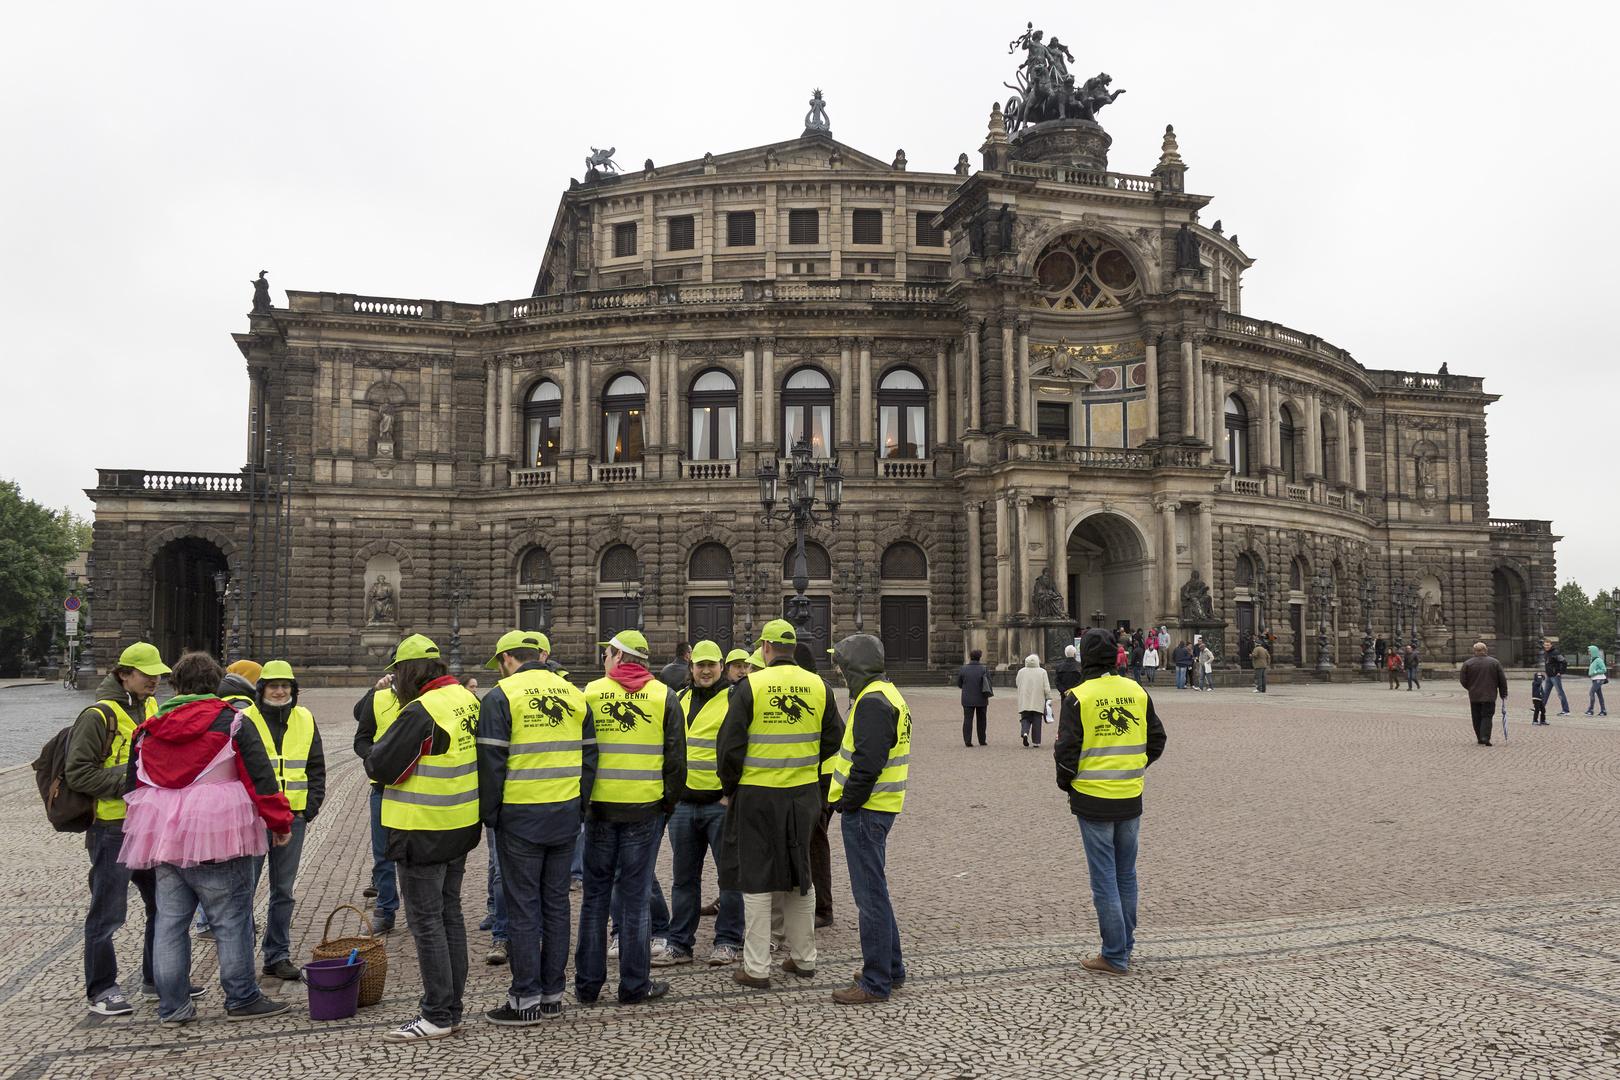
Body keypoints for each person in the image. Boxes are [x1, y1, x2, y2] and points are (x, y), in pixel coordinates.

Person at [119, 651, 293, 1023]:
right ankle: (241, 997)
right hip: (217, 832)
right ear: (215, 685)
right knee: (231, 919)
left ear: (176, 686)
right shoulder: (233, 722)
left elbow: (132, 784)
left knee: (169, 923)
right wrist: (279, 822)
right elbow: (260, 777)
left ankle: (173, 1005)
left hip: (165, 835)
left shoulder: (149, 727)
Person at [365, 635, 483, 1042]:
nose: (394, 681)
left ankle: (435, 1013)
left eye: (397, 673)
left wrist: (376, 748)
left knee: (426, 923)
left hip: (422, 830)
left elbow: (380, 766)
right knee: (450, 916)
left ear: (409, 671)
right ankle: (452, 1008)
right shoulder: (467, 701)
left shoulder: (421, 710)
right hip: (460, 825)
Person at [717, 620, 843, 989]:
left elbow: (729, 746)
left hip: (756, 793)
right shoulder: (820, 687)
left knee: (756, 878)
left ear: (767, 648)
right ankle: (805, 959)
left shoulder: (750, 686)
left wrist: (731, 786)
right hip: (803, 794)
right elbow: (833, 740)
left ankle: (756, 968)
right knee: (799, 876)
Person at [477, 630, 594, 1025]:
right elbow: (590, 757)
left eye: (499, 664)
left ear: (508, 658)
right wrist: (580, 806)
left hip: (520, 818)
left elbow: (491, 765)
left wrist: (491, 816)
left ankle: (524, 1000)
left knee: (525, 909)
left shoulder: (501, 696)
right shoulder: (574, 695)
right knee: (557, 906)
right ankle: (552, 995)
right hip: (564, 816)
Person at [576, 630, 685, 1006]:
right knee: (635, 901)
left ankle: (587, 986)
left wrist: (583, 803)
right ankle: (634, 987)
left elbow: (580, 756)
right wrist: (666, 805)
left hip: (600, 809)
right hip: (645, 809)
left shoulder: (589, 693)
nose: (604, 659)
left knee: (594, 898)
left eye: (607, 653)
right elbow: (675, 761)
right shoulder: (664, 696)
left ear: (618, 657)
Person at [1054, 629, 1167, 975]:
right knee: (1126, 874)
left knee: (1104, 877)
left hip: (1092, 799)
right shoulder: (1136, 690)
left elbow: (1066, 752)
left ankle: (1114, 954)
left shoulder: (1078, 696)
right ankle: (1125, 945)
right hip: (1130, 795)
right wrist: (1134, 767)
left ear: (1085, 658)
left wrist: (1066, 784)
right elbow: (1157, 739)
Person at [67, 642, 170, 1015]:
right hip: (111, 828)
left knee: (163, 905)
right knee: (108, 914)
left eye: (158, 673)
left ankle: (156, 978)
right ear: (124, 674)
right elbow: (78, 773)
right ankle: (102, 989)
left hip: (148, 825)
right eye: (147, 673)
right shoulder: (98, 715)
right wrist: (133, 780)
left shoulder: (153, 707)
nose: (155, 679)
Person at [826, 633, 910, 1004]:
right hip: (881, 805)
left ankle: (876, 980)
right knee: (877, 891)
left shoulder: (872, 702)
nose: (840, 672)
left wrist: (848, 801)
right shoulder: (888, 694)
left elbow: (867, 762)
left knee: (869, 897)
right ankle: (891, 967)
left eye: (843, 665)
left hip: (867, 809)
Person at [662, 640, 743, 968]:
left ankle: (727, 941)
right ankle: (680, 943)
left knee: (730, 879)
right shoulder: (678, 699)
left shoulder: (735, 699)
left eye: (712, 665)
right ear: (691, 667)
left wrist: (730, 794)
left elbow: (744, 748)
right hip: (683, 806)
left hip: (719, 805)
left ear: (721, 666)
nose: (706, 670)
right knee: (683, 879)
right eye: (700, 665)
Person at [243, 660, 325, 982]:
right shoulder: (244, 719)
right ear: (261, 688)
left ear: (294, 689)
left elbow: (316, 765)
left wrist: (309, 808)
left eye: (286, 685)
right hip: (253, 817)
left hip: (293, 818)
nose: (280, 691)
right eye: (273, 685)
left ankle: (277, 954)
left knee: (284, 890)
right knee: (245, 890)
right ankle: (241, 956)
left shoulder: (305, 718)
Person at [352, 669, 402, 934]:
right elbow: (360, 733)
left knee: (415, 854)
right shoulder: (379, 697)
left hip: (422, 788)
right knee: (383, 854)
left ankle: (422, 909)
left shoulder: (432, 699)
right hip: (383, 788)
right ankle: (385, 909)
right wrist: (374, 759)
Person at [794, 640, 838, 930]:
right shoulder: (819, 686)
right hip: (820, 776)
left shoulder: (813, 689)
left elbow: (833, 737)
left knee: (815, 842)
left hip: (819, 778)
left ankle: (822, 908)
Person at [1458, 642, 1509, 745]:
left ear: (1474, 651)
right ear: (1486, 650)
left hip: (1474, 695)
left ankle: (1479, 737)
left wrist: (1471, 688)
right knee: (1487, 716)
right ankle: (1485, 736)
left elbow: (1463, 680)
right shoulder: (1494, 662)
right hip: (1489, 695)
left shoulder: (1468, 663)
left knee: (1476, 716)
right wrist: (1503, 693)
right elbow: (1502, 679)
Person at [954, 649, 992, 747]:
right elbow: (989, 682)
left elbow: (959, 683)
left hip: (967, 698)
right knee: (982, 719)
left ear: (970, 657)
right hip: (982, 697)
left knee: (968, 719)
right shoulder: (984, 668)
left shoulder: (963, 668)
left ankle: (967, 740)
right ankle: (982, 740)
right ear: (980, 658)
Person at [1016, 654, 1052, 748]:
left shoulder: (1021, 671)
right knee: (1037, 720)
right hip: (1038, 699)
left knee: (1025, 717)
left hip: (1025, 698)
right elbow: (1046, 687)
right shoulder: (1042, 672)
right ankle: (1036, 741)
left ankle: (1024, 732)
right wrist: (1048, 697)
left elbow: (1017, 682)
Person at [1542, 641, 1570, 716]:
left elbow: (1564, 662)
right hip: (1549, 676)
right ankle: (1541, 708)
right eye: (1545, 645)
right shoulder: (1546, 653)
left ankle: (1566, 710)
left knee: (1560, 693)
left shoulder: (1556, 653)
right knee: (1545, 693)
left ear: (1551, 645)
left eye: (1548, 645)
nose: (1546, 646)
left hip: (1555, 676)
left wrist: (1560, 672)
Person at [1585, 645, 1609, 716]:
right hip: (1595, 679)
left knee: (1591, 693)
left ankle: (1591, 710)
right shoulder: (1592, 659)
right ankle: (1603, 710)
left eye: (1590, 651)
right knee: (1599, 695)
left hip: (1599, 679)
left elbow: (1604, 669)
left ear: (1594, 651)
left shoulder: (1598, 660)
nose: (1589, 653)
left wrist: (1595, 672)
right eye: (1588, 651)